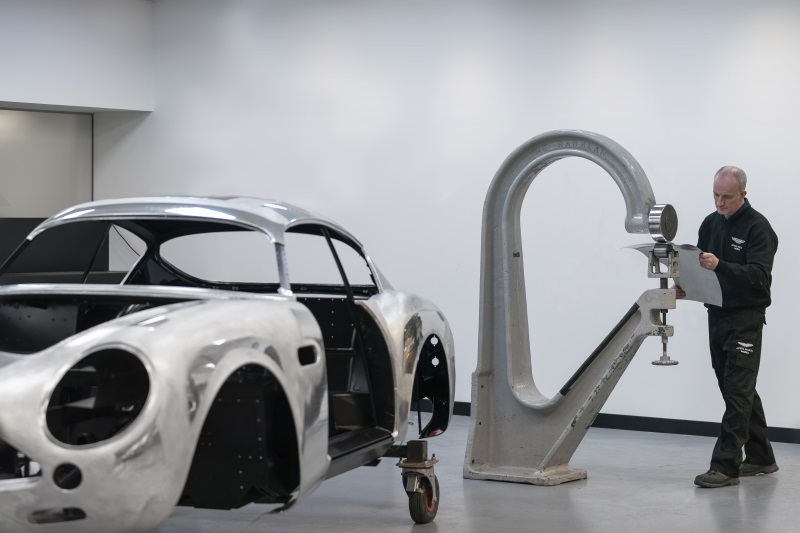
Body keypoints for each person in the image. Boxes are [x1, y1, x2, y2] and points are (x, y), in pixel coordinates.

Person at [677, 166, 778, 488]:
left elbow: (759, 276)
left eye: (727, 197)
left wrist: (721, 265)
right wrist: (687, 287)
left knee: (737, 391)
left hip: (746, 318)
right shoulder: (710, 223)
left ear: (743, 195)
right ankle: (761, 457)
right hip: (717, 315)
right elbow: (700, 269)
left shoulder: (759, 228)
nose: (720, 203)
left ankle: (725, 467)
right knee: (734, 388)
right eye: (716, 195)